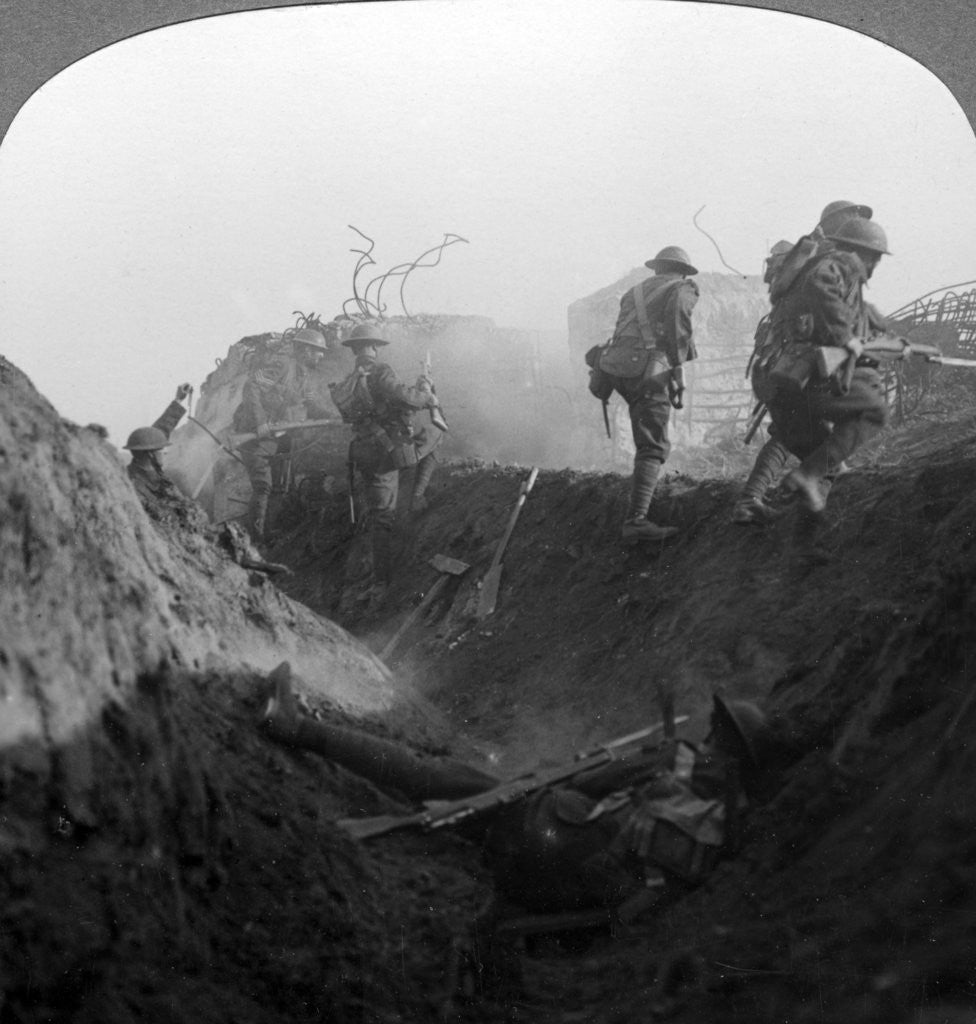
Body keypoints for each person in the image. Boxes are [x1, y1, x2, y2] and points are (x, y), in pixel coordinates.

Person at [258, 662, 776, 916]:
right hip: (561, 890)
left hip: (539, 837)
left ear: (722, 739)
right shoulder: (721, 820)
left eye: (716, 729)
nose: (706, 733)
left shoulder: (677, 758)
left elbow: (590, 782)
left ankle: (296, 727)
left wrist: (564, 778)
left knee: (431, 773)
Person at [733, 203, 875, 526]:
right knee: (823, 440)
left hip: (780, 361)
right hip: (808, 366)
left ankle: (751, 499)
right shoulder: (838, 263)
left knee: (789, 432)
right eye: (854, 223)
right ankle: (812, 523)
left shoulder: (805, 257)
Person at [761, 216, 892, 514]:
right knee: (874, 411)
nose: (874, 266)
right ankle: (806, 478)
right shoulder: (842, 263)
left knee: (826, 473)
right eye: (876, 258)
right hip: (807, 379)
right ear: (866, 253)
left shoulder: (813, 269)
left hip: (783, 384)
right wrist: (846, 337)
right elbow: (823, 285)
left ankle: (807, 551)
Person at [590, 246, 700, 544]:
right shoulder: (682, 288)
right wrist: (678, 369)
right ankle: (637, 520)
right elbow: (679, 329)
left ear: (657, 268)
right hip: (646, 371)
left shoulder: (634, 291)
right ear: (682, 271)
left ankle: (642, 491)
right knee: (652, 443)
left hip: (617, 369)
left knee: (645, 431)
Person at [334, 322, 442, 597]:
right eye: (376, 346)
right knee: (436, 433)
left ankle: (378, 577)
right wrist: (426, 393)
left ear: (355, 349)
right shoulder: (380, 371)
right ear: (374, 347)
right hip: (387, 451)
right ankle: (417, 497)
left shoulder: (351, 379)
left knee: (380, 514)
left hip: (364, 451)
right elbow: (405, 398)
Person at [231, 327, 332, 543]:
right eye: (318, 351)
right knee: (263, 486)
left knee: (281, 487)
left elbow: (312, 405)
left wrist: (334, 417)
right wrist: (260, 423)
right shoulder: (282, 364)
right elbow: (252, 389)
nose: (321, 356)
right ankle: (255, 539)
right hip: (254, 435)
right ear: (305, 350)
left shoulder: (308, 376)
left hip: (280, 438)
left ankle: (268, 534)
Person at [124, 383, 194, 509]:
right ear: (151, 454)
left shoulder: (145, 467)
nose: (165, 453)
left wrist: (178, 400)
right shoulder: (135, 487)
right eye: (162, 450)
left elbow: (159, 431)